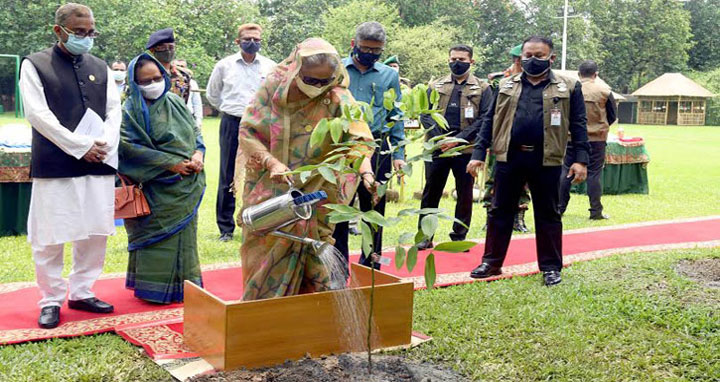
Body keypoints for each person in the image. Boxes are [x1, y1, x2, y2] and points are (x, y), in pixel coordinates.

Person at [236, 38, 374, 300]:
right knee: (264, 241)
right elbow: (248, 131)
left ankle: (309, 314)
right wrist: (272, 162)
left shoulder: (338, 95)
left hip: (318, 188)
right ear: (297, 70)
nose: (318, 87)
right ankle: (259, 312)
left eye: (325, 81)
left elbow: (358, 140)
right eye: (311, 81)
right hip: (272, 183)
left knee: (315, 248)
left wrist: (365, 171)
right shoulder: (274, 89)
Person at [20, 3, 119, 328]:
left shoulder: (100, 66)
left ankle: (82, 291)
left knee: (94, 231)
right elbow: (38, 115)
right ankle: (50, 300)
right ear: (58, 31)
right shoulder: (35, 65)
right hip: (56, 162)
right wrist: (80, 147)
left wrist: (102, 143)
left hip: (99, 160)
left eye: (91, 32)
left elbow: (113, 110)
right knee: (50, 234)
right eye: (79, 32)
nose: (86, 38)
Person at [466, 36, 589, 286]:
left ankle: (551, 267)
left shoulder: (570, 86)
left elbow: (578, 124)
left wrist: (581, 160)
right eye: (528, 55)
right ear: (521, 57)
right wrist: (478, 153)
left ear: (551, 58)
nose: (532, 60)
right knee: (500, 210)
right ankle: (491, 262)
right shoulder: (504, 85)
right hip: (509, 157)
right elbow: (489, 120)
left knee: (548, 213)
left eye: (539, 56)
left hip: (547, 159)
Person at [118, 53, 206, 304]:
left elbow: (195, 133)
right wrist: (171, 164)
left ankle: (185, 286)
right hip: (156, 188)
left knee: (186, 238)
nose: (153, 84)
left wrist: (198, 153)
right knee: (158, 241)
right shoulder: (131, 110)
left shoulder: (176, 102)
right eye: (145, 81)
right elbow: (127, 148)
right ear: (134, 83)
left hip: (186, 185)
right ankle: (153, 290)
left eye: (157, 78)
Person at [331, 21, 406, 269]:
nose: (370, 54)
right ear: (354, 44)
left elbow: (395, 115)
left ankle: (372, 261)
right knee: (340, 208)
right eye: (366, 48)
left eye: (377, 51)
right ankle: (337, 261)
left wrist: (399, 152)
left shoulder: (389, 75)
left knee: (374, 208)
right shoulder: (336, 70)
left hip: (378, 150)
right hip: (342, 148)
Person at [416, 44, 493, 250]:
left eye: (461, 59)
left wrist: (457, 140)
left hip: (465, 149)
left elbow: (486, 118)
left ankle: (459, 236)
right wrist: (440, 140)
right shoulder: (436, 85)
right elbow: (425, 113)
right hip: (437, 148)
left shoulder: (483, 88)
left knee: (464, 193)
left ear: (471, 62)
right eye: (453, 59)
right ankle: (425, 235)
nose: (456, 63)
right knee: (431, 192)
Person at [206, 23, 276, 242]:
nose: (252, 43)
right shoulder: (224, 65)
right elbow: (213, 94)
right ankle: (225, 229)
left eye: (256, 39)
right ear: (238, 41)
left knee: (261, 173)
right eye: (247, 39)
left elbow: (275, 95)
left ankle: (259, 221)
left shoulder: (270, 66)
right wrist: (232, 110)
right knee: (227, 174)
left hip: (260, 125)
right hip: (231, 122)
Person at [482, 44, 532, 233]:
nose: (521, 64)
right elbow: (490, 114)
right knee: (494, 180)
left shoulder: (535, 83)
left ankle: (518, 218)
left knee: (524, 182)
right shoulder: (499, 83)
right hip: (500, 142)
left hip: (524, 142)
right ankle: (491, 216)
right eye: (519, 60)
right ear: (515, 61)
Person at [559, 60, 617, 219]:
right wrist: (600, 126)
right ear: (596, 74)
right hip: (596, 138)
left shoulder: (571, 89)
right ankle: (595, 211)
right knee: (594, 174)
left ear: (579, 74)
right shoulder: (605, 91)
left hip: (572, 138)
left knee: (566, 172)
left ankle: (559, 208)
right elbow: (612, 115)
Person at [146, 28, 193, 103]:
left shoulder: (183, 75)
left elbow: (184, 99)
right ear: (152, 50)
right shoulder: (144, 73)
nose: (167, 51)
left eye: (171, 47)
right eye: (162, 48)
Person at [173, 59, 203, 130]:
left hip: (189, 117)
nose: (180, 68)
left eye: (182, 66)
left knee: (198, 140)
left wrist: (198, 120)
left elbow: (197, 103)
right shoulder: (169, 82)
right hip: (173, 118)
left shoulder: (192, 83)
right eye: (178, 66)